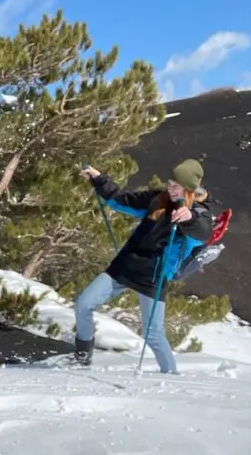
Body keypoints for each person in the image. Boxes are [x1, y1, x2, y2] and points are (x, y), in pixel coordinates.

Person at [73, 159, 214, 373]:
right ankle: (82, 357)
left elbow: (203, 233)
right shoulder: (157, 199)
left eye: (176, 186)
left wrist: (189, 218)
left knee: (154, 334)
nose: (170, 188)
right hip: (124, 267)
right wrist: (98, 178)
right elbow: (119, 199)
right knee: (83, 304)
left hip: (153, 278)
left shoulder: (199, 213)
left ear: (189, 189)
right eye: (169, 183)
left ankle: (172, 375)